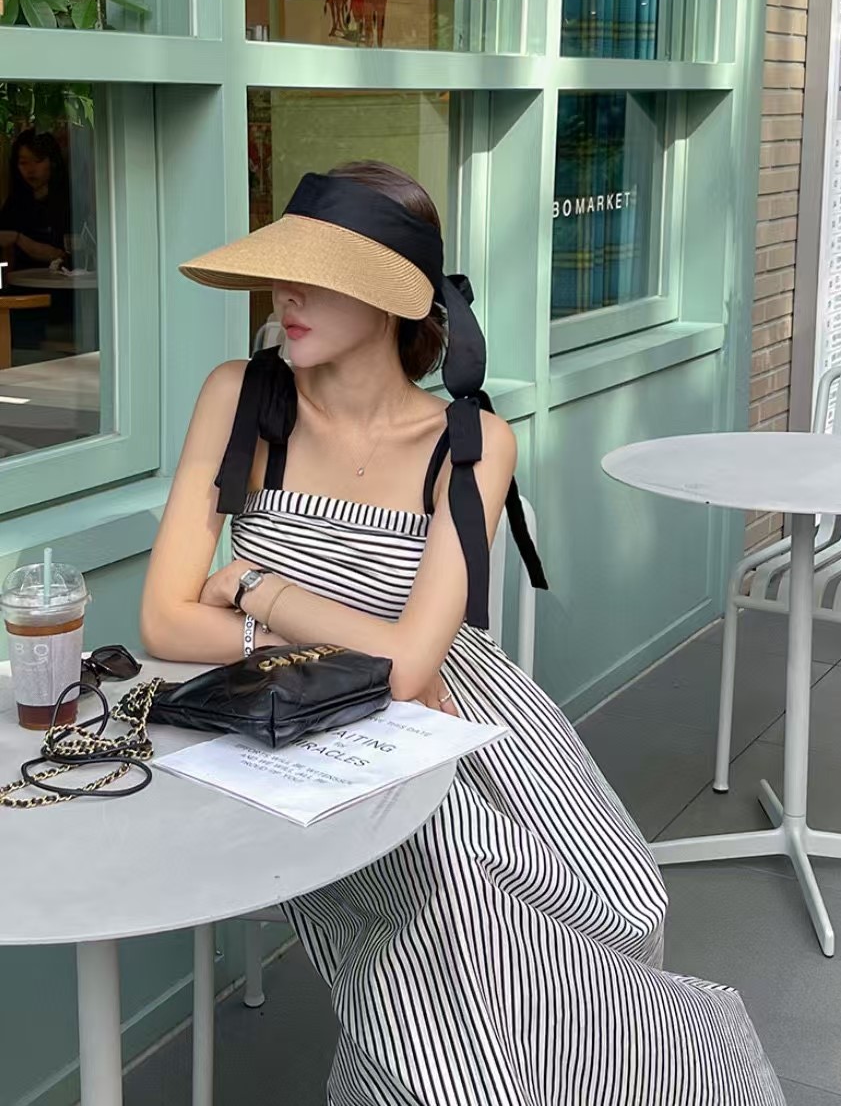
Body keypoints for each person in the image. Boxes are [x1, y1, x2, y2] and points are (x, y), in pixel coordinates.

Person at [140, 160, 785, 1106]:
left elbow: (413, 668)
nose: (286, 294)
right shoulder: (241, 396)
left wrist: (252, 587)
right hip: (305, 727)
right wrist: (297, 649)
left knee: (622, 902)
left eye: (319, 273)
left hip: (463, 714)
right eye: (283, 270)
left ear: (392, 297)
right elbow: (162, 617)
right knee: (456, 902)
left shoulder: (471, 441)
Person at [0, 129, 70, 271]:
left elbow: (64, 255)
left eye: (38, 161)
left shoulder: (69, 202)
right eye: (23, 163)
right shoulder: (15, 203)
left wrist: (19, 239)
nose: (30, 170)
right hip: (20, 282)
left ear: (53, 162)